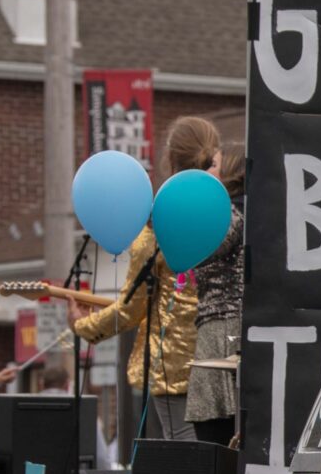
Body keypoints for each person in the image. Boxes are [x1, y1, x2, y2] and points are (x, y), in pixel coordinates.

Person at [68, 116, 219, 441]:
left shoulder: (157, 227)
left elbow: (130, 309)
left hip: (174, 368)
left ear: (169, 158)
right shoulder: (227, 216)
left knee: (183, 457)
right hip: (222, 363)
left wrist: (84, 326)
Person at [186, 143, 244, 447]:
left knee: (214, 435)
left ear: (230, 171)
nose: (205, 171)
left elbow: (199, 251)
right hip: (218, 329)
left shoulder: (230, 215)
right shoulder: (235, 212)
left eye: (213, 165)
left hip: (223, 329)